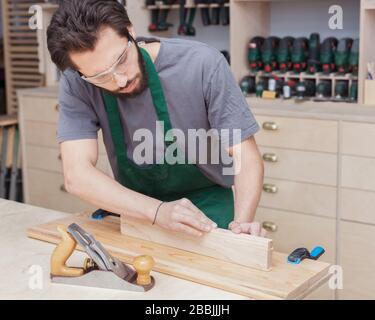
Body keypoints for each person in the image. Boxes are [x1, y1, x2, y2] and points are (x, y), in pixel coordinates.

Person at [47, 0, 265, 238]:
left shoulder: (202, 64)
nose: (119, 80)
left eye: (120, 60)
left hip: (208, 214)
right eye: (100, 76)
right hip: (134, 213)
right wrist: (157, 211)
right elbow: (77, 175)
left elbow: (246, 156)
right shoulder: (77, 82)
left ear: (130, 32)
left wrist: (241, 228)